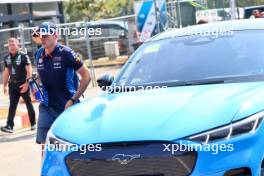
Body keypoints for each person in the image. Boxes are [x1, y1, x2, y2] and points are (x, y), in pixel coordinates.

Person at [32, 22, 91, 151]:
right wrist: (33, 85)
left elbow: (86, 76)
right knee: (45, 144)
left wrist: (73, 99)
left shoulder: (67, 53)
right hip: (46, 106)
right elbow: (42, 74)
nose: (42, 38)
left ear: (55, 35)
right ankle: (46, 170)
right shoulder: (38, 54)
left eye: (46, 35)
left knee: (71, 146)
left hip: (67, 107)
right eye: (40, 36)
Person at [1, 38, 36, 133]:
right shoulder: (6, 58)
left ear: (18, 45)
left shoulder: (23, 56)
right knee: (12, 105)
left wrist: (27, 83)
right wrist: (5, 86)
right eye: (9, 45)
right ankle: (9, 126)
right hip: (12, 84)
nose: (11, 47)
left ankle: (33, 123)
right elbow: (6, 72)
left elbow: (29, 69)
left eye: (13, 44)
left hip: (23, 83)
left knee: (28, 103)